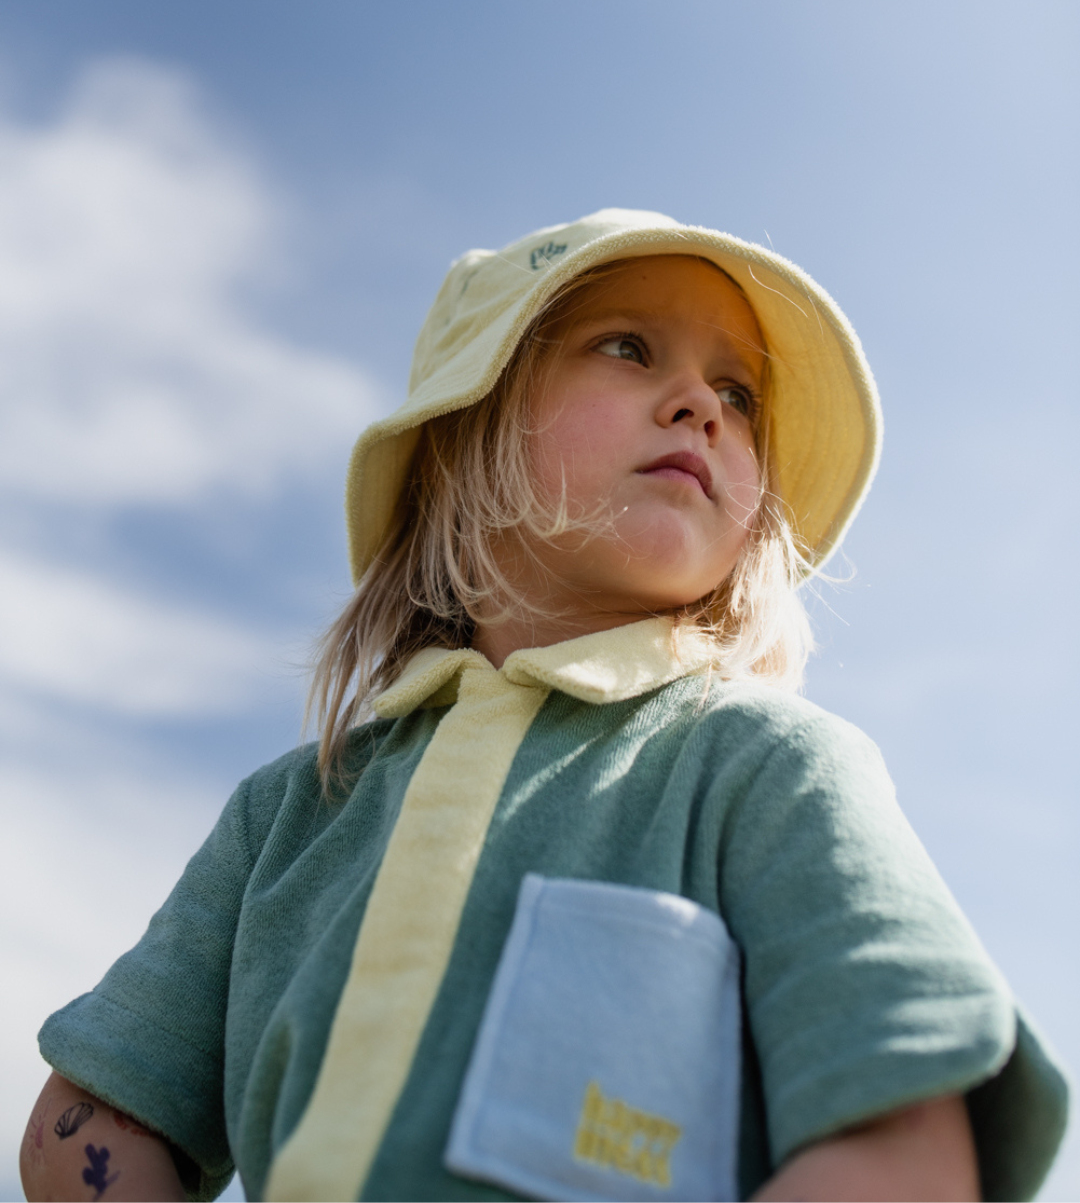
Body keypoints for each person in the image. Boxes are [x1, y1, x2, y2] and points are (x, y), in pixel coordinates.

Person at [21, 209, 1068, 1203]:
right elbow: (95, 1118)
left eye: (739, 395)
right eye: (627, 346)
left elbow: (907, 1147)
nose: (701, 405)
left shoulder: (768, 766)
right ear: (459, 431)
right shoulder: (291, 811)